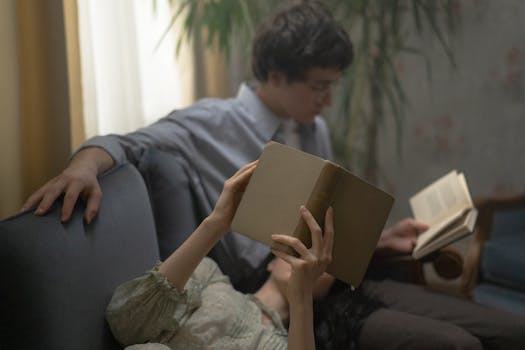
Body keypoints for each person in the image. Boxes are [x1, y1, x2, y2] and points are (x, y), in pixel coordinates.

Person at [22, 1, 525, 349]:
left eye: (333, 87)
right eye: (318, 87)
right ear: (275, 76)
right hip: (288, 300)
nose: (328, 100)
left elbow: (326, 225)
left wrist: (385, 241)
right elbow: (127, 144)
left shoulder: (314, 129)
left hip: (339, 279)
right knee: (454, 345)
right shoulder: (212, 123)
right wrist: (83, 164)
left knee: (509, 330)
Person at [106, 161, 374, 349]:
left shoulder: (289, 342)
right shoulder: (209, 276)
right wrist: (215, 225)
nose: (306, 255)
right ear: (270, 262)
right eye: (302, 244)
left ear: (326, 291)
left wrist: (301, 297)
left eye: (321, 257)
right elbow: (127, 324)